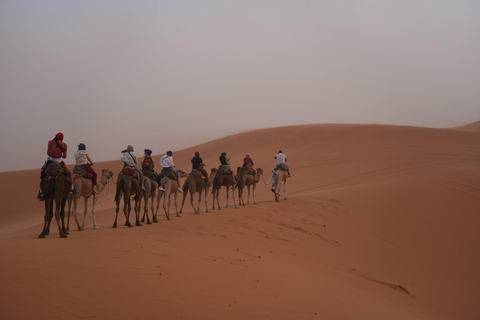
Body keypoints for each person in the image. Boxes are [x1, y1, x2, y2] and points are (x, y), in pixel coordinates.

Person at [38, 132, 76, 199]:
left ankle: (41, 191)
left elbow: (48, 152)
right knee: (70, 172)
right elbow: (64, 156)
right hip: (59, 161)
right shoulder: (64, 145)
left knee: (43, 173)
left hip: (49, 160)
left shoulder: (50, 142)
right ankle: (71, 188)